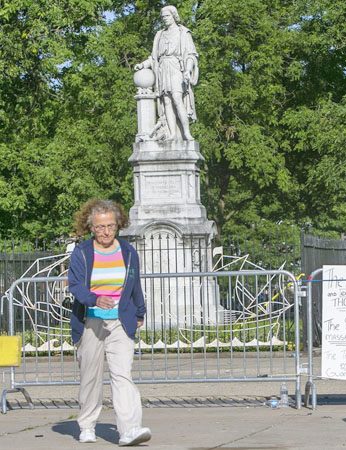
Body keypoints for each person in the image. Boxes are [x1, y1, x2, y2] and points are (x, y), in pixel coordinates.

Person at [68, 199, 151, 446]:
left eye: (111, 226)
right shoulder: (82, 252)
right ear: (91, 227)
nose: (106, 232)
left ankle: (129, 429)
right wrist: (95, 298)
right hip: (90, 321)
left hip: (120, 321)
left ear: (118, 225)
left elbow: (134, 285)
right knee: (90, 376)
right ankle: (87, 425)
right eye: (100, 227)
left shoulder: (127, 252)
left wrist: (139, 313)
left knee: (122, 374)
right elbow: (75, 285)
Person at [134, 5, 198, 141]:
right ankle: (172, 134)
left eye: (167, 16)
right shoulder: (160, 34)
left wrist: (187, 70)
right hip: (163, 70)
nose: (165, 19)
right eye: (163, 17)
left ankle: (186, 133)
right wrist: (143, 65)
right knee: (167, 102)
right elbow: (154, 58)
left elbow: (191, 55)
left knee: (176, 98)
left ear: (174, 16)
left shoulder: (183, 32)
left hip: (176, 68)